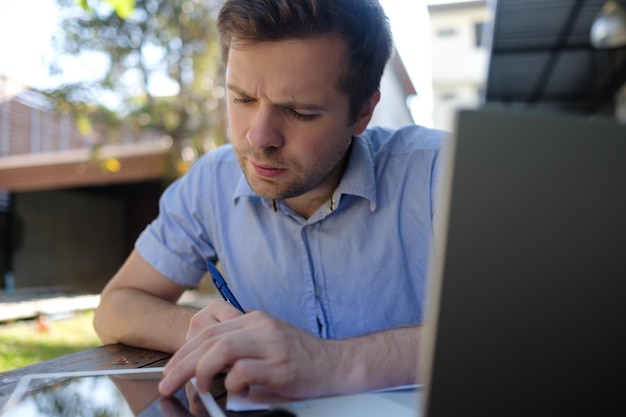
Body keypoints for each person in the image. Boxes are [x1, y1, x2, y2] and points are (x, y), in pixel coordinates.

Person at [93, 0, 447, 401]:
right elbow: (114, 308)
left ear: (363, 111)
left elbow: (518, 330)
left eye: (299, 111)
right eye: (242, 99)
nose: (258, 138)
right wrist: (210, 333)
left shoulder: (440, 171)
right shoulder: (211, 183)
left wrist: (332, 362)